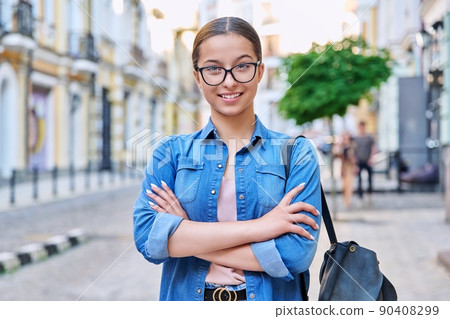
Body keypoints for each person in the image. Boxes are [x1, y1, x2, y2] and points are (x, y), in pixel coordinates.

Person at [133, 17, 322, 301]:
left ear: (260, 71)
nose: (229, 80)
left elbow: (295, 255)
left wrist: (185, 234)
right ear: (198, 77)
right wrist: (261, 227)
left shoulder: (296, 153)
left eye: (242, 66)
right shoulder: (169, 153)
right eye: (213, 69)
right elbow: (148, 238)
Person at [353, 121, 376, 199]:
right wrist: (355, 162)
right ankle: (360, 195)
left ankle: (369, 192)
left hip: (367, 160)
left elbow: (373, 148)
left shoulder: (369, 138)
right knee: (359, 178)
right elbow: (353, 151)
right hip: (359, 161)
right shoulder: (355, 138)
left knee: (370, 178)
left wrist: (371, 158)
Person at [337, 131, 356, 208]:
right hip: (343, 167)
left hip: (350, 167)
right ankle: (345, 199)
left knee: (349, 185)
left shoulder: (352, 146)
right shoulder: (342, 146)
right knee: (343, 185)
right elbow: (337, 154)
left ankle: (348, 200)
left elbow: (354, 157)